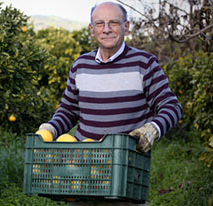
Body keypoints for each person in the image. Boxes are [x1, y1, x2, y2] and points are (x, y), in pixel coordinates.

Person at [37, 1, 182, 205]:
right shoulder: (80, 65)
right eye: (100, 23)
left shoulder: (144, 63)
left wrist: (153, 129)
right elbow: (69, 111)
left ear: (127, 26)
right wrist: (50, 128)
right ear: (92, 29)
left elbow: (172, 106)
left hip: (125, 173)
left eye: (114, 22)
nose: (106, 29)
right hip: (82, 172)